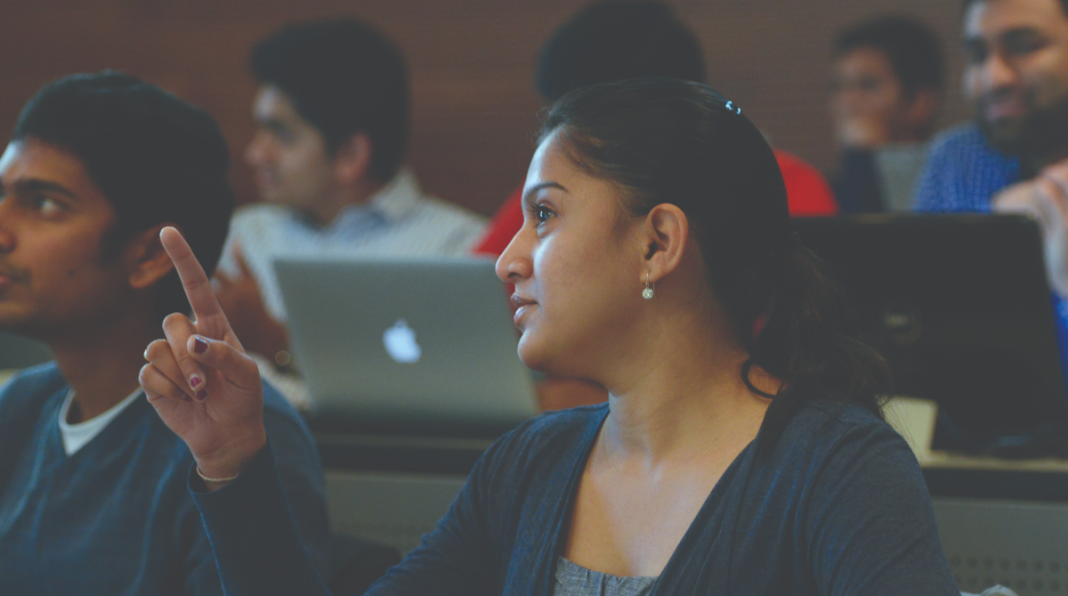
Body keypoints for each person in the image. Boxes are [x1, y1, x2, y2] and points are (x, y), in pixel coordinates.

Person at [142, 78, 958, 595]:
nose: (507, 258)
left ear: (658, 242)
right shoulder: (531, 464)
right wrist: (232, 459)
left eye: (545, 214)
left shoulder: (837, 468)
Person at [0, 72, 329, 594]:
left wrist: (231, 468)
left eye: (43, 203)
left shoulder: (240, 436)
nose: (2, 230)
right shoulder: (18, 406)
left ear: (149, 255)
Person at [474, 0, 839, 411]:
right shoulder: (557, 185)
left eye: (588, 115)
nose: (507, 263)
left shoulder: (786, 187)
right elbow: (466, 305)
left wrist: (611, 396)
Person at [217, 18, 486, 368]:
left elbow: (450, 390)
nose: (256, 153)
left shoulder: (460, 250)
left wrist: (278, 343)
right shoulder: (243, 236)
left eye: (281, 134)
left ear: (350, 155)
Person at [914, 0, 1068, 386]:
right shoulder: (958, 158)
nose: (994, 77)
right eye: (978, 55)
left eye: (1023, 47)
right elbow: (917, 325)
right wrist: (998, 227)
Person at [830, 15, 944, 213]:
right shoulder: (822, 190)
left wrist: (862, 158)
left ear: (919, 102)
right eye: (838, 87)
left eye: (867, 85)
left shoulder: (947, 186)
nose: (847, 102)